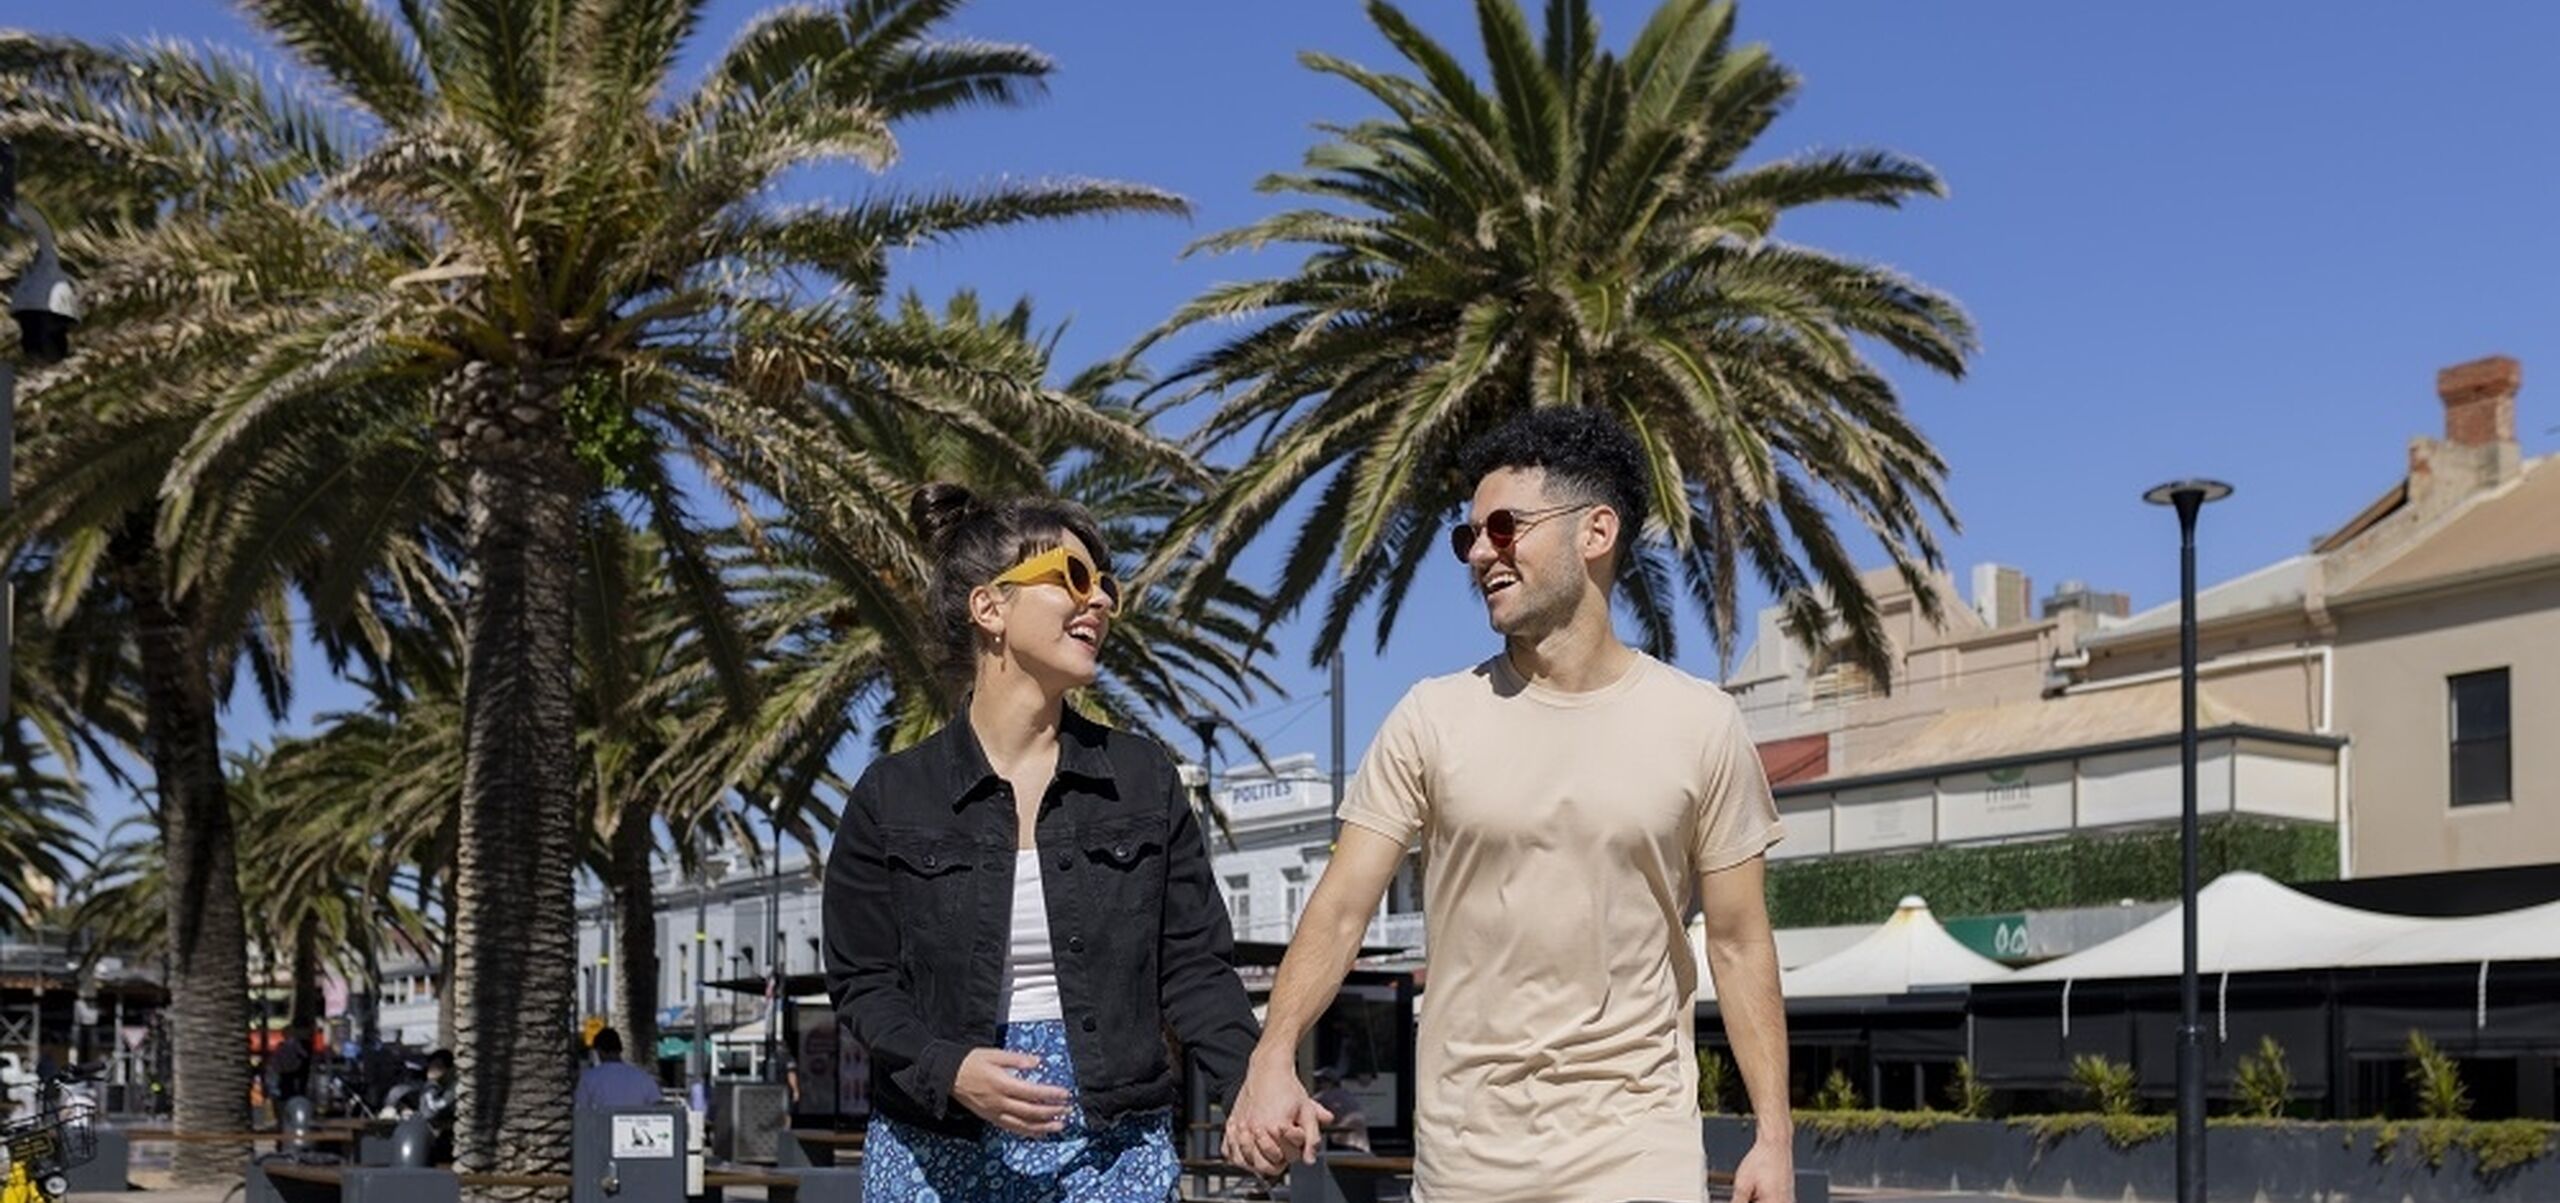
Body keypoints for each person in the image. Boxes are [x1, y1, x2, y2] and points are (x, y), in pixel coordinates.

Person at [1223, 408, 1797, 1203]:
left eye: (1504, 526)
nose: (1481, 552)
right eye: (1469, 538)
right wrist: (1272, 1054)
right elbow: (1343, 907)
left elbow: (1737, 941)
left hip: (1637, 1147)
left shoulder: (1702, 723)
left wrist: (1774, 1137)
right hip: (1467, 1159)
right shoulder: (1431, 716)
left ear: (1595, 532)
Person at [825, 484, 1262, 1203]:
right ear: (989, 607)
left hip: (1113, 1144)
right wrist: (949, 1065)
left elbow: (1194, 965)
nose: (1100, 603)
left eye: (1107, 587)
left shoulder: (1142, 778)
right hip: (936, 1142)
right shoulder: (891, 796)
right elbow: (864, 983)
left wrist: (1254, 1079)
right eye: (1075, 578)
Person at [576, 1028, 666, 1109]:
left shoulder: (589, 1078)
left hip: (602, 1126)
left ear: (600, 1051)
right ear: (620, 1049)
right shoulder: (642, 1077)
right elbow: (657, 1106)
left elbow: (582, 1110)